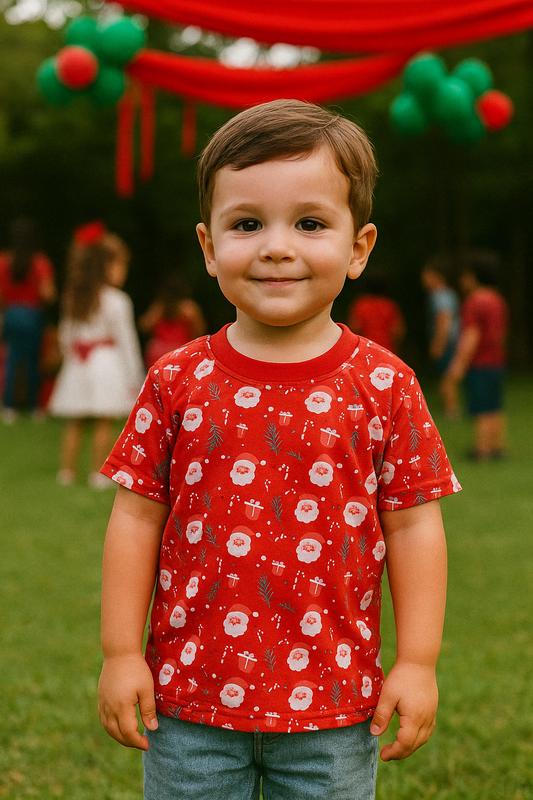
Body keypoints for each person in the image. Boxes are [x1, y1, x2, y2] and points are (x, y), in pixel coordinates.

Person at [98, 100, 460, 800]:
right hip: (189, 702)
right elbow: (136, 516)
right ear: (208, 247)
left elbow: (414, 526)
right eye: (246, 224)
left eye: (310, 223)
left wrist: (417, 662)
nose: (275, 245)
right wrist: (119, 653)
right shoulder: (177, 379)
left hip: (333, 703)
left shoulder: (385, 385)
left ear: (359, 248)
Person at [48, 222, 144, 488]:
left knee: (76, 420)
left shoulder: (73, 298)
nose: (123, 271)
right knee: (104, 419)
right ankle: (97, 475)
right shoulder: (117, 300)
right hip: (107, 364)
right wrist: (134, 376)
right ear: (105, 266)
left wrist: (73, 355)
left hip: (79, 363)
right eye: (120, 265)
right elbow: (127, 342)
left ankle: (66, 472)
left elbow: (66, 335)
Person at [443, 251, 508, 460]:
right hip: (497, 362)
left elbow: (471, 336)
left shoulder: (474, 301)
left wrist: (458, 364)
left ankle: (482, 450)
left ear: (473, 276)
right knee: (494, 406)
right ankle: (497, 446)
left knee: (480, 407)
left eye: (465, 275)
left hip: (480, 363)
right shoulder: (497, 300)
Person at [0, 218, 56, 422]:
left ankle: (9, 407)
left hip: (11, 314)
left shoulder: (4, 261)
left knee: (11, 359)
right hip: (32, 315)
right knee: (34, 361)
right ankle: (35, 407)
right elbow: (48, 293)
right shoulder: (40, 263)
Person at [138, 272, 206, 368]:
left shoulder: (189, 309)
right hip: (159, 359)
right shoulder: (159, 308)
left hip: (180, 357)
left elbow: (200, 332)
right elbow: (143, 326)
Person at [421, 257, 460, 418]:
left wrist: (438, 343)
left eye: (427, 276)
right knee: (446, 375)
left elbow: (444, 320)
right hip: (452, 340)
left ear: (437, 276)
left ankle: (451, 410)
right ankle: (450, 408)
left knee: (446, 376)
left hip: (447, 342)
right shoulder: (449, 293)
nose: (424, 280)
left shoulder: (439, 296)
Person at [347, 271, 405, 354]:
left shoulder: (360, 305)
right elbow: (398, 331)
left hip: (365, 349)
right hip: (386, 350)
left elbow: (354, 327)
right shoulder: (389, 306)